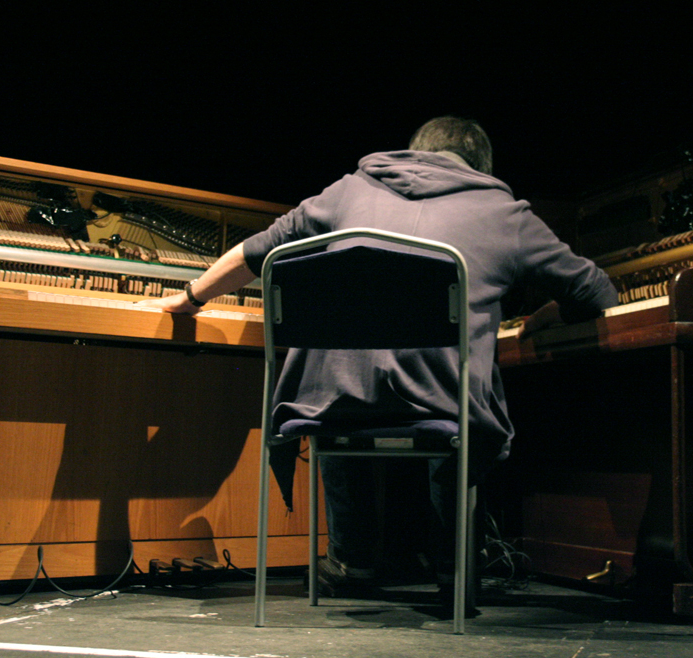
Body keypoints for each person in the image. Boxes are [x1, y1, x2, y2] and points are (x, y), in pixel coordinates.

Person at [139, 116, 618, 594]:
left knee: (340, 373)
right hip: (441, 402)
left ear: (413, 151)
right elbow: (597, 291)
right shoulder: (505, 213)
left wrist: (190, 298)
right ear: (481, 166)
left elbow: (255, 252)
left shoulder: (347, 191)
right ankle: (454, 567)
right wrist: (543, 318)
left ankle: (352, 561)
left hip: (329, 401)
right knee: (456, 393)